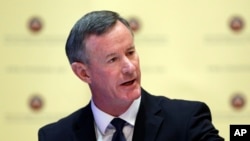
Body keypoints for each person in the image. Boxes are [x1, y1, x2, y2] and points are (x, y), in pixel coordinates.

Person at [38, 10, 224, 141]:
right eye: (113, 59)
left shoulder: (186, 121)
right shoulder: (55, 136)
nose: (130, 67)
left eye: (130, 52)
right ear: (83, 73)